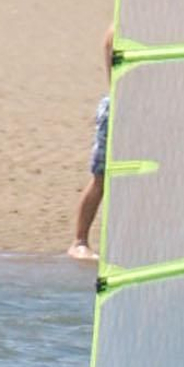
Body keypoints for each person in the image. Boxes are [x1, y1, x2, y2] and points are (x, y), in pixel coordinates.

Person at [68, 26, 116, 261]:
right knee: (101, 177)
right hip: (118, 107)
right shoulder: (118, 29)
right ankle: (79, 241)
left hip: (146, 109)